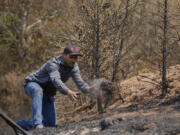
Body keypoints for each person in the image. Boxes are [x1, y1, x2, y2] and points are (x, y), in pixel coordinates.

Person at [16, 45, 92, 130]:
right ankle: (37, 124)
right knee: (38, 90)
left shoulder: (74, 67)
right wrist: (68, 91)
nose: (74, 60)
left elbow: (80, 83)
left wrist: (90, 89)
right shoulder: (53, 64)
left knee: (51, 125)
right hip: (33, 84)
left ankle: (20, 125)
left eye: (76, 58)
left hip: (48, 93)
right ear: (64, 55)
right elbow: (56, 80)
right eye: (71, 57)